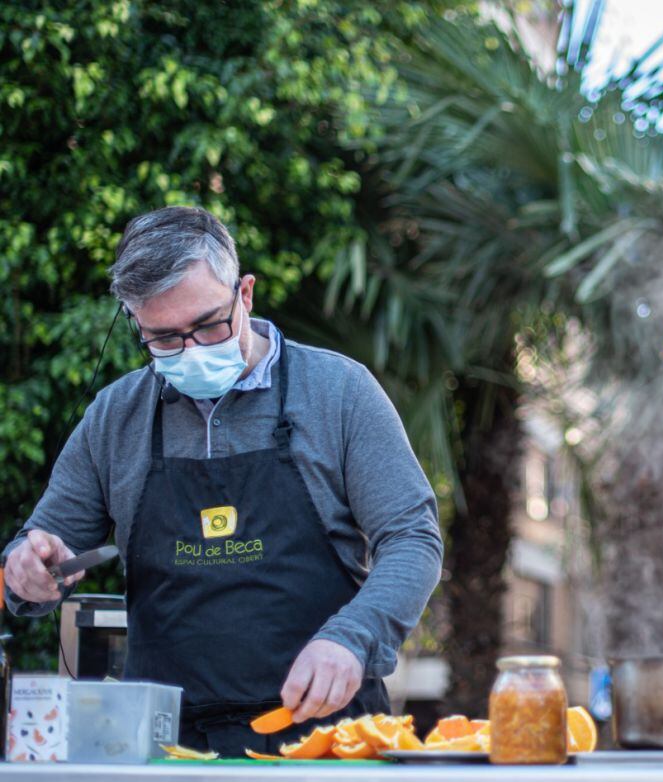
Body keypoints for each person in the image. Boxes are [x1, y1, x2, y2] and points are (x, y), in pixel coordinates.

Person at [2, 206, 443, 756]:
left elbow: (412, 539)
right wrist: (27, 568)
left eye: (208, 325)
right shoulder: (116, 417)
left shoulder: (339, 392)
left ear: (246, 294)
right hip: (163, 749)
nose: (191, 350)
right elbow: (39, 553)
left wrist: (352, 639)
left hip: (328, 742)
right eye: (163, 339)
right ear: (135, 324)